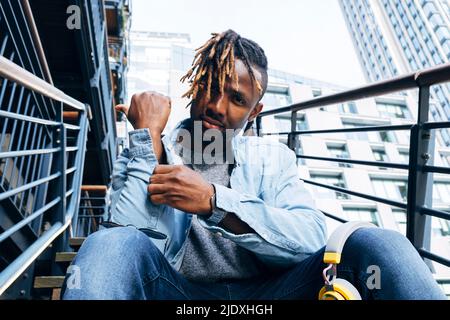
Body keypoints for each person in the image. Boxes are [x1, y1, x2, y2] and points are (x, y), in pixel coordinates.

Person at [62, 29, 445, 300]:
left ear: (255, 111)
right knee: (109, 243)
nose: (217, 106)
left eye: (237, 99)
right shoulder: (153, 146)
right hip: (175, 290)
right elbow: (122, 239)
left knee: (374, 240)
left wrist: (215, 203)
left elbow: (310, 236)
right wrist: (145, 138)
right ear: (195, 85)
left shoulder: (273, 159)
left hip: (274, 292)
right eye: (210, 87)